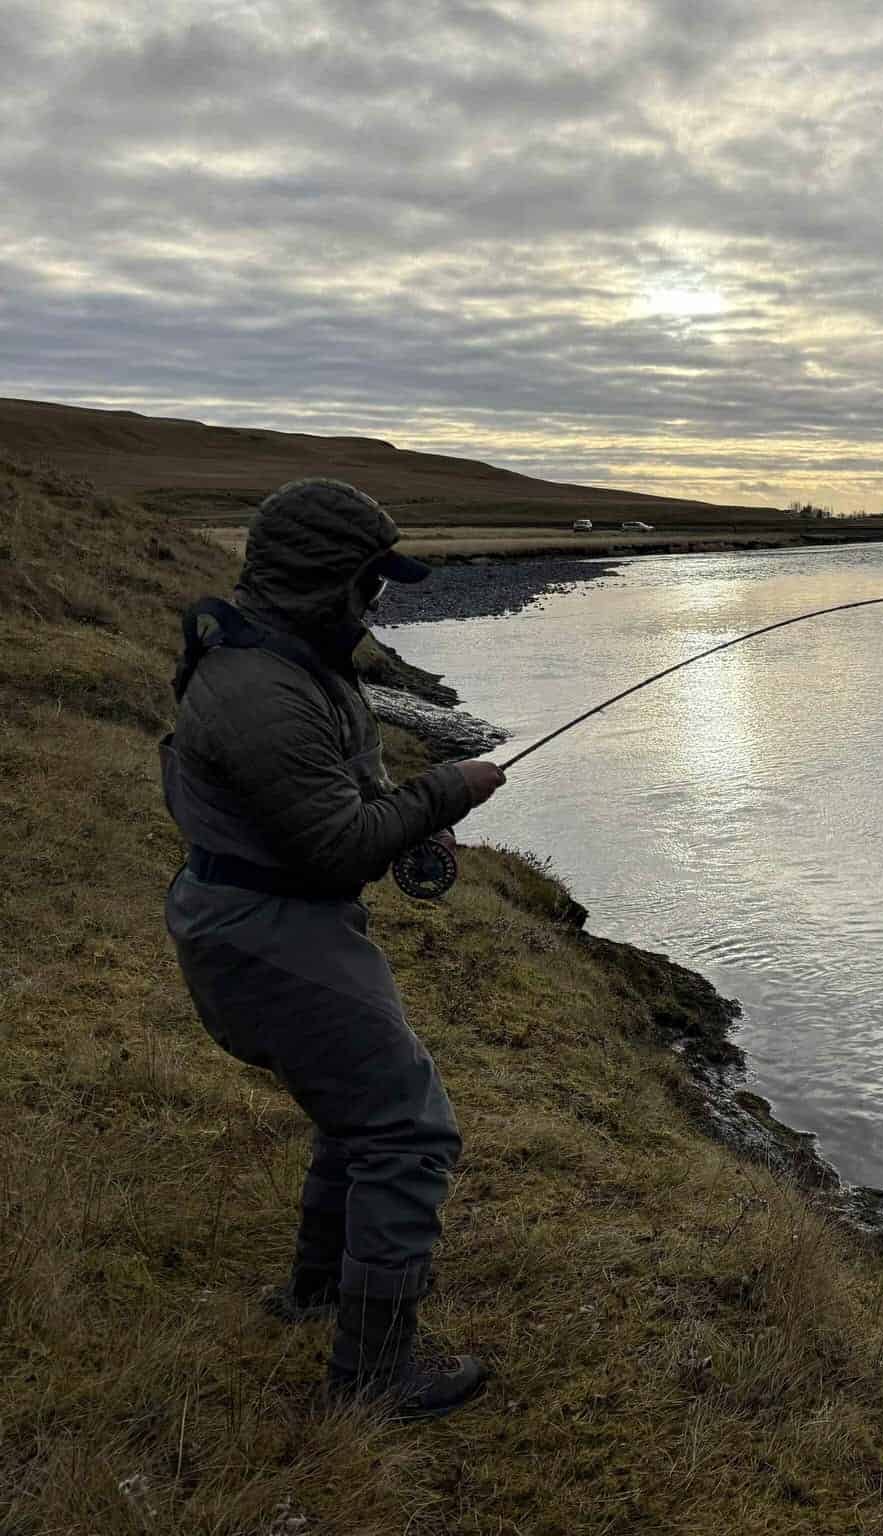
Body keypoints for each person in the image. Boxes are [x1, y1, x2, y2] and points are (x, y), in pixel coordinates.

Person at [160, 478, 506, 1422]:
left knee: (356, 1117)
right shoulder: (260, 689)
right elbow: (338, 843)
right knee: (406, 1130)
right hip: (267, 935)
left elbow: (341, 810)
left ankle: (315, 1295)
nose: (377, 600)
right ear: (328, 579)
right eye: (368, 580)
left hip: (278, 924)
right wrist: (451, 791)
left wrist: (411, 824)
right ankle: (373, 1379)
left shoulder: (288, 658)